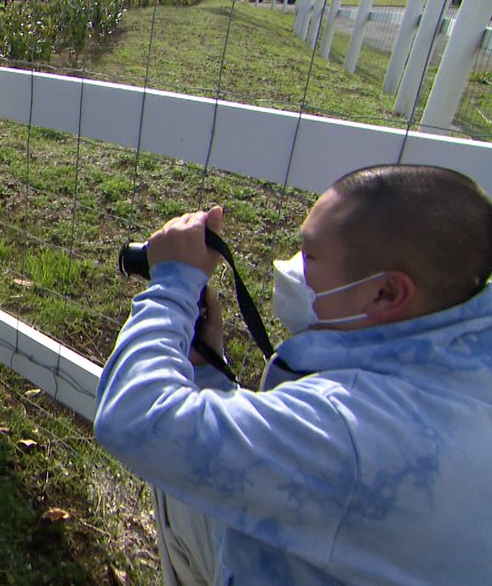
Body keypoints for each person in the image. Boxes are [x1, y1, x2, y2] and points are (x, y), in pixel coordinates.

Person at [94, 164, 492, 584]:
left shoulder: (353, 429)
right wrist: (208, 373)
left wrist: (172, 285)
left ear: (386, 292)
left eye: (310, 255)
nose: (291, 268)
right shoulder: (457, 374)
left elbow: (136, 420)